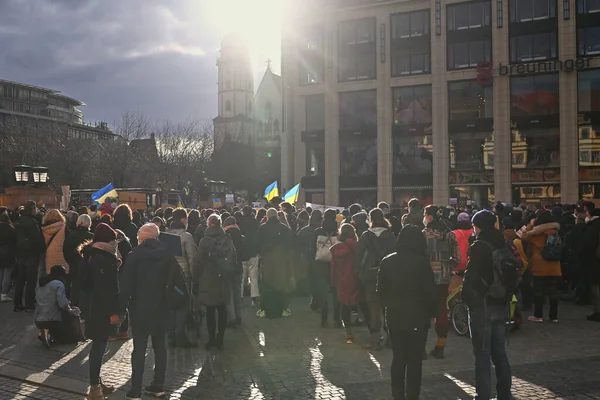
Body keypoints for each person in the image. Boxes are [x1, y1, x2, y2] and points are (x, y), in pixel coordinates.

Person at [379, 225, 436, 400]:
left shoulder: (387, 261)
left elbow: (381, 292)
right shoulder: (421, 262)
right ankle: (412, 395)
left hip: (395, 315)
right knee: (414, 359)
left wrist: (386, 312)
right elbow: (429, 291)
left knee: (398, 358)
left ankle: (397, 395)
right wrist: (432, 314)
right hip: (418, 317)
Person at [462, 210, 513, 400]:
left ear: (478, 226)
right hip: (501, 303)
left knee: (482, 353)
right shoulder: (503, 243)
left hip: (482, 305)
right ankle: (504, 394)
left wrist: (467, 300)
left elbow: (471, 278)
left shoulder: (479, 246)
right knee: (500, 352)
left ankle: (482, 395)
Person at [119, 223, 170, 399]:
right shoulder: (166, 254)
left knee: (139, 349)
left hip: (140, 308)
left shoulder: (135, 255)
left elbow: (126, 286)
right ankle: (158, 385)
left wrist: (120, 310)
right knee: (160, 348)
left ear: (141, 237)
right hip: (162, 307)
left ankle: (135, 389)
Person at [79, 223, 122, 400]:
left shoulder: (91, 255)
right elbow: (105, 289)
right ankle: (95, 387)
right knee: (98, 346)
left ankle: (97, 381)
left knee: (99, 345)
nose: (115, 244)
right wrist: (112, 312)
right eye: (113, 240)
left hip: (91, 307)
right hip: (100, 309)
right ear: (107, 240)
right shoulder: (102, 259)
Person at [422, 205, 461, 359]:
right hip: (444, 277)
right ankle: (440, 345)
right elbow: (457, 258)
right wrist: (446, 265)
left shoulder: (424, 234)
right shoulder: (449, 235)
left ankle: (421, 348)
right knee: (441, 310)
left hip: (426, 277)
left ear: (429, 217)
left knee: (423, 311)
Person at [355, 208, 396, 350]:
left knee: (374, 307)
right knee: (389, 307)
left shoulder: (365, 236)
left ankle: (375, 339)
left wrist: (359, 274)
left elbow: (358, 257)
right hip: (389, 275)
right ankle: (391, 338)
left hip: (371, 275)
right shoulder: (390, 235)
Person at [193, 214, 234, 350]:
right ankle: (220, 338)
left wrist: (196, 278)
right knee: (222, 309)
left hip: (208, 277)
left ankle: (211, 339)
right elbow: (233, 256)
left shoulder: (205, 241)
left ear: (209, 224)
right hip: (223, 277)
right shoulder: (227, 238)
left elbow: (198, 261)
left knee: (210, 310)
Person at [521, 211, 561, 322]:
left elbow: (522, 236)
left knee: (538, 291)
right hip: (554, 265)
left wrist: (530, 225)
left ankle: (538, 315)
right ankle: (554, 316)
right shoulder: (555, 232)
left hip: (540, 265)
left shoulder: (535, 233)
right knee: (553, 291)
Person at [165, 208, 197, 346]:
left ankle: (171, 336)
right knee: (183, 305)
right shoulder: (186, 236)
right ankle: (181, 335)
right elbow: (192, 259)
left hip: (168, 276)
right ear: (183, 219)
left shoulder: (164, 235)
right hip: (183, 276)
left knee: (170, 305)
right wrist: (195, 276)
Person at [255, 208, 294, 319]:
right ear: (277, 216)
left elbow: (256, 243)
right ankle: (283, 309)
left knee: (266, 284)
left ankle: (264, 309)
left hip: (266, 259)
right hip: (281, 259)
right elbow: (290, 243)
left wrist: (262, 253)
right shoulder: (284, 228)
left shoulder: (262, 228)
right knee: (281, 284)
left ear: (267, 216)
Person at [330, 223, 366, 343]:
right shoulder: (357, 246)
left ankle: (349, 334)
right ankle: (373, 331)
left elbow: (333, 268)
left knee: (344, 307)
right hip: (356, 279)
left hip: (342, 280)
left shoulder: (336, 249)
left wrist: (333, 281)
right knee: (362, 304)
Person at [34, 265, 82, 347]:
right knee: (74, 312)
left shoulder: (41, 283)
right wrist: (69, 308)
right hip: (52, 319)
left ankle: (45, 332)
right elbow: (63, 304)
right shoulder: (58, 284)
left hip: (38, 319)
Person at [14, 201, 45, 312]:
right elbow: (37, 240)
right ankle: (29, 303)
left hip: (20, 255)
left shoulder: (18, 221)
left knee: (20, 279)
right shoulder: (32, 223)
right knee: (31, 280)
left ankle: (17, 303)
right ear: (32, 209)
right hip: (32, 255)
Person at [313, 209, 341, 328]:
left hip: (320, 264)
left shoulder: (318, 231)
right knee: (335, 292)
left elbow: (312, 247)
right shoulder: (338, 231)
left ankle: (324, 319)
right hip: (335, 263)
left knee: (323, 292)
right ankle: (337, 319)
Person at [63, 214, 94, 306]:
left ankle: (75, 306)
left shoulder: (71, 235)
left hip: (74, 264)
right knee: (87, 286)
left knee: (75, 286)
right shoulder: (92, 237)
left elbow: (65, 251)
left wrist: (71, 262)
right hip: (88, 266)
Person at [297, 210, 323, 311]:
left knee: (312, 280)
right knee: (320, 281)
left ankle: (315, 300)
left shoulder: (303, 231)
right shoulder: (323, 231)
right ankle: (318, 301)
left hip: (308, 258)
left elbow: (296, 245)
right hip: (320, 258)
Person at [223, 216, 244, 327]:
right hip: (238, 267)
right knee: (237, 292)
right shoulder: (240, 234)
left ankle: (231, 318)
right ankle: (239, 316)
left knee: (229, 293)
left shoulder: (225, 235)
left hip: (228, 268)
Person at [581, 209, 600, 321]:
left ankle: (598, 311)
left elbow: (587, 245)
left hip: (595, 262)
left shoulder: (593, 226)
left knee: (596, 287)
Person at [239, 206, 260, 305]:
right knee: (253, 277)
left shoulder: (240, 222)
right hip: (253, 252)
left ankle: (240, 297)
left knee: (242, 278)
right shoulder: (256, 223)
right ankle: (254, 298)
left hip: (242, 252)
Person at [450, 212, 474, 294]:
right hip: (471, 264)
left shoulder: (454, 233)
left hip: (458, 265)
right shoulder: (474, 231)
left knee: (456, 293)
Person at [42, 209, 69, 276]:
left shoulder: (44, 229)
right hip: (63, 256)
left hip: (49, 257)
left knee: (51, 276)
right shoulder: (64, 227)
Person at [0, 213, 17, 303]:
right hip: (9, 253)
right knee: (7, 274)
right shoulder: (11, 229)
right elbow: (15, 242)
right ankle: (4, 294)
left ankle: (1, 292)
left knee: (1, 273)